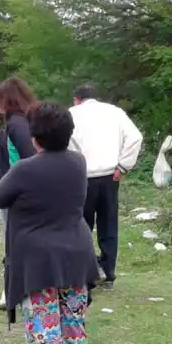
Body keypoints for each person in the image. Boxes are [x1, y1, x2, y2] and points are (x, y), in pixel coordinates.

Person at [0, 102, 99, 344]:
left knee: (44, 327)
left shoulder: (25, 169)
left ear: (35, 138)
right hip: (76, 254)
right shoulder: (78, 162)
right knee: (74, 323)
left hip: (38, 259)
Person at [69, 84, 143, 291]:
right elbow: (135, 137)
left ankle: (86, 274)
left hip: (81, 177)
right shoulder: (115, 113)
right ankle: (108, 273)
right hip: (111, 175)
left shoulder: (71, 114)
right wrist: (123, 165)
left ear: (77, 99)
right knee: (108, 225)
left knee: (81, 226)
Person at [0, 77, 37, 310]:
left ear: (5, 100)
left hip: (15, 195)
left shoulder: (17, 125)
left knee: (13, 241)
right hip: (15, 192)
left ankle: (11, 291)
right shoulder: (23, 123)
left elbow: (28, 158)